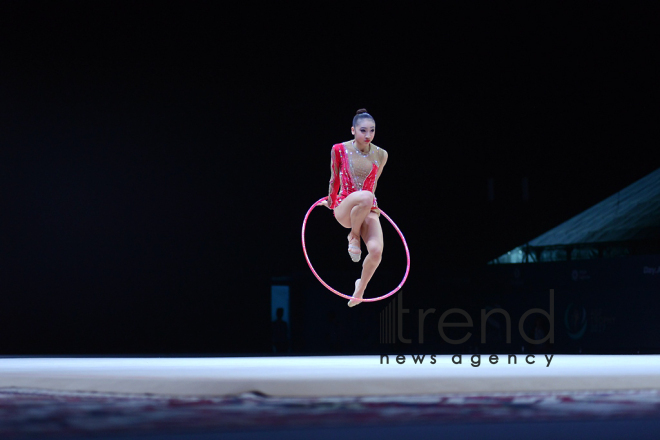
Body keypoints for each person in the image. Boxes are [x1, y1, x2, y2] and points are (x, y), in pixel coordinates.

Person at [320, 109, 388, 307]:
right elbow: (334, 180)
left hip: (367, 207)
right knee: (367, 196)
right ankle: (354, 235)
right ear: (353, 130)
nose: (368, 135)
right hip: (345, 206)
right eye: (363, 130)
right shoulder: (339, 149)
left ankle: (360, 289)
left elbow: (374, 184)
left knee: (376, 251)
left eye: (372, 131)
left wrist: (371, 209)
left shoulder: (381, 154)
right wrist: (330, 202)